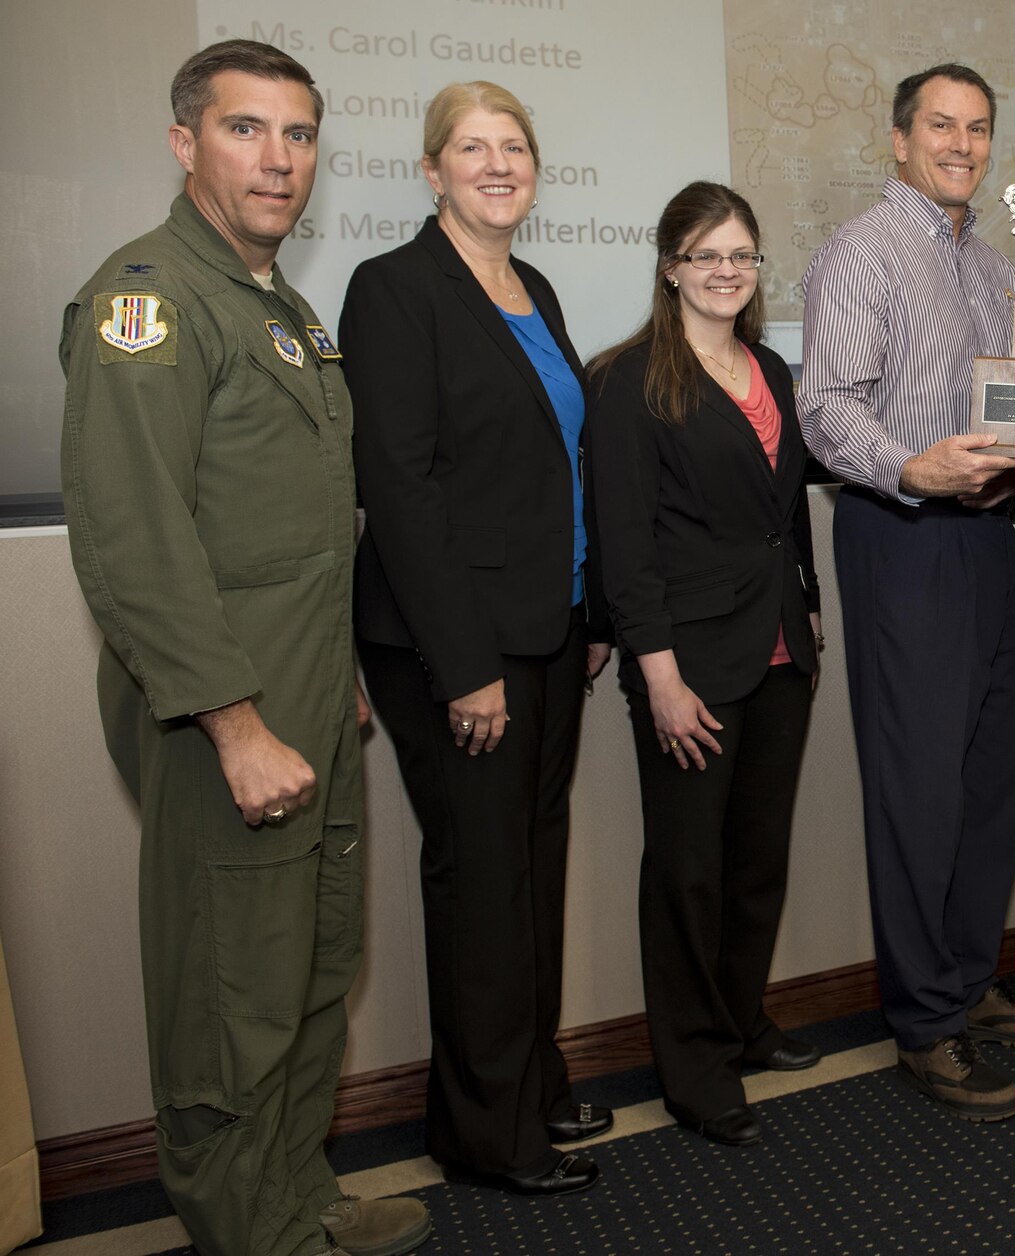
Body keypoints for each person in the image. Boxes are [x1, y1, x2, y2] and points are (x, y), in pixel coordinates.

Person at [58, 39, 431, 1256]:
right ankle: (245, 1232)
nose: (280, 161)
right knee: (233, 997)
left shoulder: (276, 302)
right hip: (231, 725)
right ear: (184, 142)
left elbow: (295, 528)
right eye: (246, 130)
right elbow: (134, 536)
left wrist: (341, 677)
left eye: (300, 135)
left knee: (310, 975)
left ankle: (296, 1200)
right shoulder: (148, 297)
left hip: (311, 702)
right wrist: (234, 721)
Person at [341, 81, 610, 1196]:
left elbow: (554, 469)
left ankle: (527, 1083)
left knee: (530, 873)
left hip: (547, 631)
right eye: (471, 147)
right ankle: (484, 1132)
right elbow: (400, 489)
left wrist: (589, 612)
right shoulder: (393, 288)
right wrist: (467, 667)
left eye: (514, 147)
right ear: (431, 169)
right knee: (484, 884)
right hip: (458, 653)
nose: (496, 163)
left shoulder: (530, 283)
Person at [799, 62, 1015, 1123]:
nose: (960, 143)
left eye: (977, 128)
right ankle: (923, 1023)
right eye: (940, 125)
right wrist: (912, 469)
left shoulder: (994, 264)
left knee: (987, 775)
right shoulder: (860, 251)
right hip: (905, 536)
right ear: (900, 139)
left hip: (996, 537)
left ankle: (969, 978)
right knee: (918, 786)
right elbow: (825, 405)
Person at [585, 182, 825, 1148]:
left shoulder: (769, 365)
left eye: (743, 255)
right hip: (686, 667)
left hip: (777, 655)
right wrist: (660, 678)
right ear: (671, 267)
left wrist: (806, 606)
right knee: (688, 872)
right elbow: (624, 547)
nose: (727, 271)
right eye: (707, 254)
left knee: (756, 864)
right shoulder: (634, 379)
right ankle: (693, 1068)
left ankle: (738, 1023)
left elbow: (784, 511)